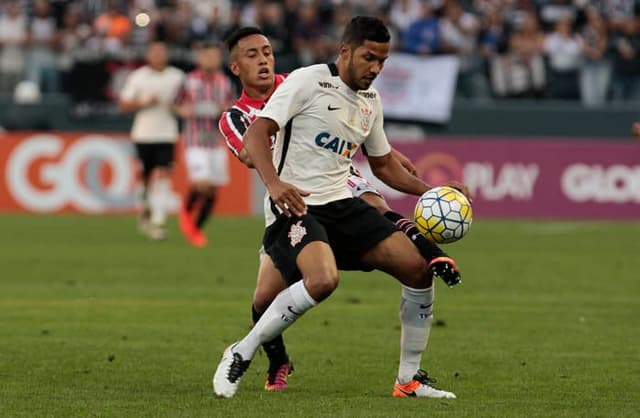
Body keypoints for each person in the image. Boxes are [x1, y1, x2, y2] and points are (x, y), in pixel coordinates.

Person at [214, 18, 468, 399]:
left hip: (342, 203)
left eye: (382, 61)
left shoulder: (371, 101)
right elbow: (256, 134)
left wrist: (433, 191)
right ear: (345, 51)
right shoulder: (306, 80)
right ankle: (242, 351)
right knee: (317, 282)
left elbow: (382, 165)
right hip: (297, 207)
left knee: (417, 270)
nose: (376, 69)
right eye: (369, 58)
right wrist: (276, 184)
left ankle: (408, 380)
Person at [119, 41, 185, 240]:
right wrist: (143, 102)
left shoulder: (177, 77)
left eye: (161, 51)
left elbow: (185, 102)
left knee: (164, 173)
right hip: (143, 133)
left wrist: (175, 107)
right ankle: (144, 212)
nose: (158, 55)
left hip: (167, 132)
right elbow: (124, 104)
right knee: (145, 177)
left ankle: (158, 220)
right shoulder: (138, 77)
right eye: (154, 52)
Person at [174, 42, 235, 247]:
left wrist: (224, 109)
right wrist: (186, 111)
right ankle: (186, 215)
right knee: (202, 183)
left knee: (213, 190)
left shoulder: (225, 83)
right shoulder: (189, 81)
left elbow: (231, 107)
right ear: (200, 59)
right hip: (195, 140)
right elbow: (176, 105)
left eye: (214, 57)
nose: (210, 60)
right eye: (207, 56)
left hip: (216, 141)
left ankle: (195, 229)